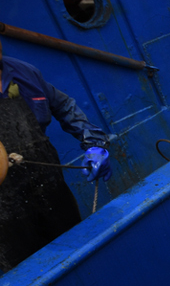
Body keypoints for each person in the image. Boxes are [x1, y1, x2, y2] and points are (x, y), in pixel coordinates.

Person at [0, 38, 112, 272]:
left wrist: (93, 143)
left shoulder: (24, 72)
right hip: (7, 218)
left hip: (52, 191)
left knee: (80, 262)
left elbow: (63, 106)